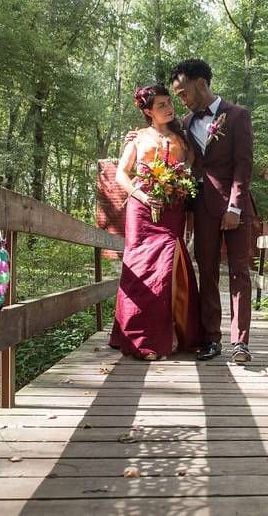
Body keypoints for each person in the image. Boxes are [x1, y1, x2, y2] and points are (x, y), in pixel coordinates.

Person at [108, 84, 203, 361]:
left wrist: (180, 184)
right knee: (141, 269)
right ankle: (141, 338)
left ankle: (172, 333)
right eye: (160, 105)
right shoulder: (137, 138)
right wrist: (142, 195)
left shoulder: (182, 140)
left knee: (167, 269)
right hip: (141, 210)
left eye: (169, 102)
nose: (168, 107)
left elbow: (189, 169)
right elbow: (121, 176)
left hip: (172, 209)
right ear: (148, 111)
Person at [171, 59, 256, 363]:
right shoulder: (185, 122)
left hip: (236, 206)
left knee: (239, 272)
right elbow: (163, 138)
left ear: (201, 84)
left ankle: (240, 343)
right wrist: (135, 137)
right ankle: (211, 339)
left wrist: (235, 205)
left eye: (183, 93)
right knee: (206, 272)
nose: (182, 99)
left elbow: (244, 166)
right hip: (203, 206)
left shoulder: (237, 116)